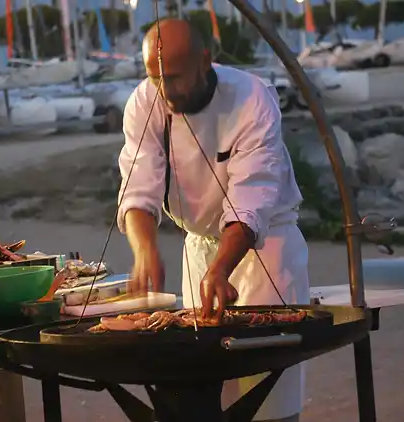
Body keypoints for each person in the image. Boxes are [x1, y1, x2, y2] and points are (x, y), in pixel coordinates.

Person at [117, 19, 310, 422]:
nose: (165, 91)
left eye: (174, 77)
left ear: (205, 61)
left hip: (265, 249)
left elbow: (251, 196)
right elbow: (138, 185)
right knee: (203, 391)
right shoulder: (145, 101)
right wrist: (144, 249)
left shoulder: (251, 97)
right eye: (155, 78)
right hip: (198, 249)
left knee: (267, 393)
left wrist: (222, 268)